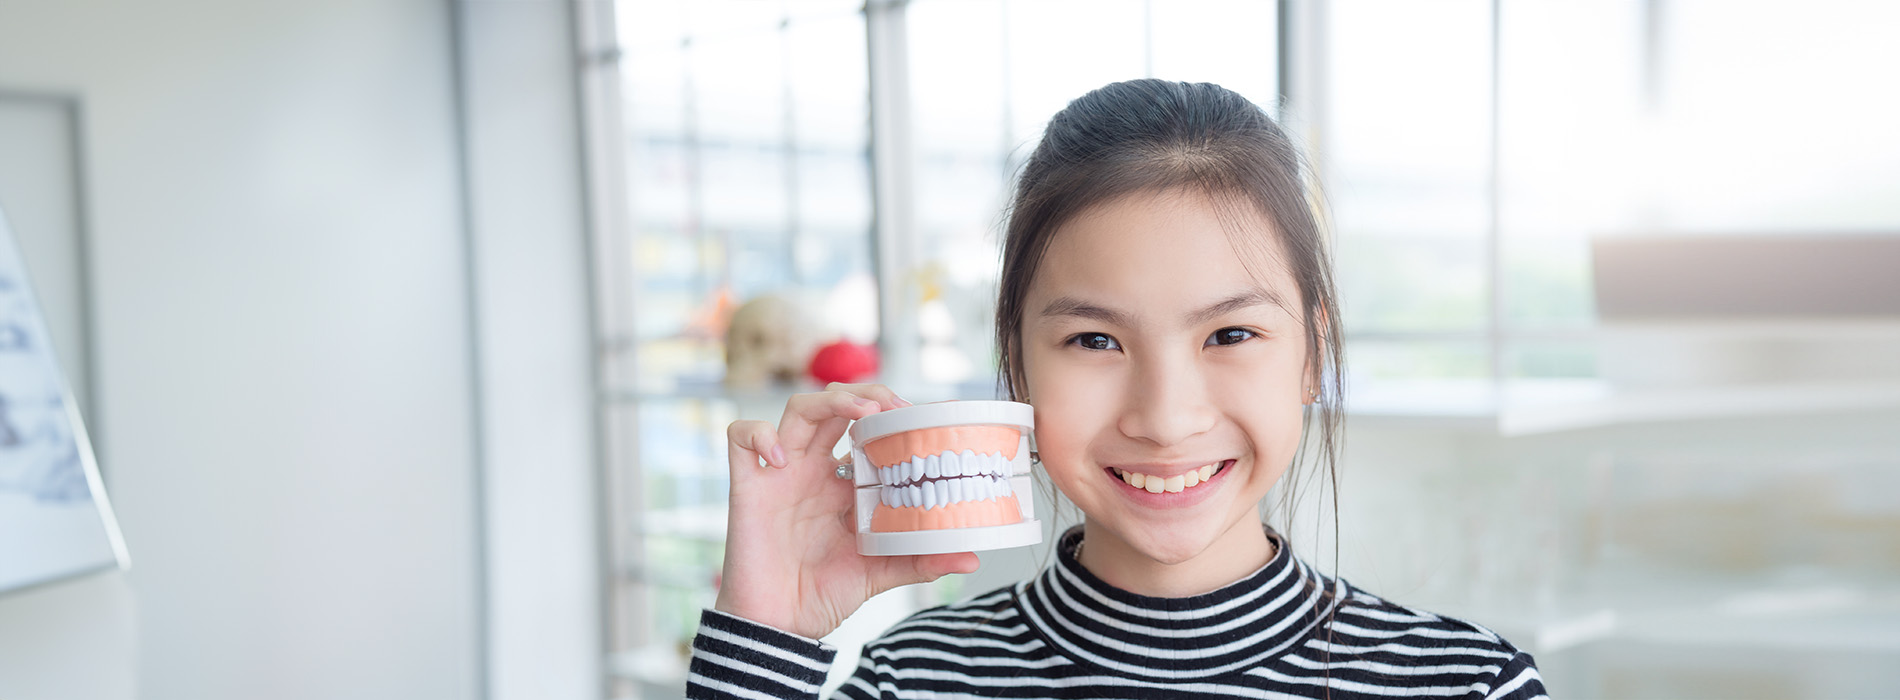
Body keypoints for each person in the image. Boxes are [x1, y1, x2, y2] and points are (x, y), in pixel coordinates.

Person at [688, 79, 1549, 699]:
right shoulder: (912, 680)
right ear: (1017, 367)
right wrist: (767, 633)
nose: (1166, 418)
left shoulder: (1466, 685)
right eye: (1095, 339)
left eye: (1232, 334)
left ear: (1313, 357)